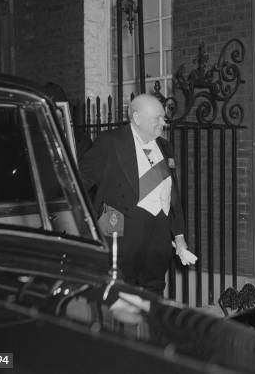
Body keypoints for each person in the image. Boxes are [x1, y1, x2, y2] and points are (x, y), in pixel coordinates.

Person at [79, 94, 196, 295]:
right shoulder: (110, 141)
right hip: (121, 234)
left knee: (154, 291)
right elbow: (79, 181)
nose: (164, 122)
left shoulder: (164, 146)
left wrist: (179, 235)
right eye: (157, 118)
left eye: (163, 117)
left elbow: (171, 193)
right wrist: (90, 221)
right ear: (137, 118)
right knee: (120, 293)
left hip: (157, 238)